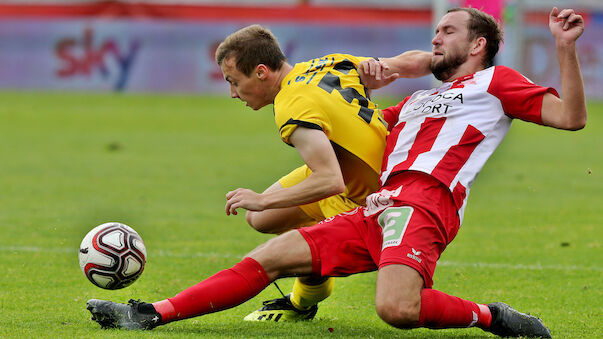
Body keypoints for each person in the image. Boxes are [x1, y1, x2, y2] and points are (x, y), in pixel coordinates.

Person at [86, 7, 586, 338]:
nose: (436, 38)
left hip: (424, 205)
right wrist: (366, 88)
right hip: (377, 205)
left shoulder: (495, 83)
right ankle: (149, 313)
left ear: (478, 45)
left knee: (396, 310)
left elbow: (571, 117)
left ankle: (492, 317)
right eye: (435, 31)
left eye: (448, 31)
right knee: (268, 254)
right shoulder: (416, 102)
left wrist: (564, 48)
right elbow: (366, 137)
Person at [215, 25, 430, 321]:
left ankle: (303, 300)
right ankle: (313, 267)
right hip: (350, 172)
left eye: (234, 82)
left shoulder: (292, 105)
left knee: (267, 216)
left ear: (262, 71)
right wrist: (445, 61)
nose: (232, 94)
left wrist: (261, 198)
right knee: (259, 218)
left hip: (366, 198)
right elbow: (410, 61)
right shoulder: (327, 63)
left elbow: (330, 180)